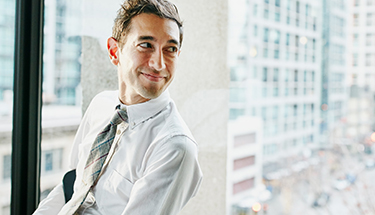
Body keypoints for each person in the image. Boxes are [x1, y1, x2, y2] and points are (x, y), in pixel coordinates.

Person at [33, 0, 203, 214]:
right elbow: (73, 188)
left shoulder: (174, 147)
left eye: (170, 49)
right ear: (114, 52)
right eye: (146, 45)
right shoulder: (100, 105)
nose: (159, 64)